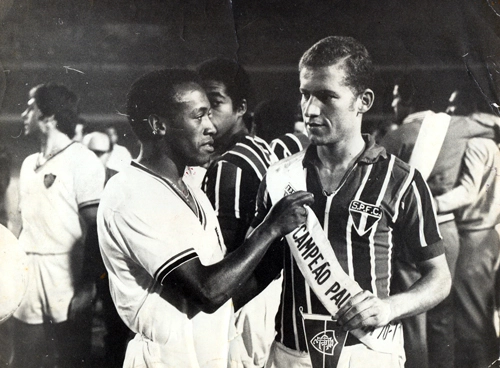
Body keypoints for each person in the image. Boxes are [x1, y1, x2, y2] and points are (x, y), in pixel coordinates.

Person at [250, 36, 451, 368]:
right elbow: (264, 268)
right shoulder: (278, 177)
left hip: (368, 354)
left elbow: (439, 277)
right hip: (291, 354)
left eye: (327, 96)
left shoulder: (401, 180)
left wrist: (390, 308)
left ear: (363, 101)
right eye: (305, 94)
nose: (311, 109)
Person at [97, 68, 313, 368]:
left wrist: (283, 246)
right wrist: (269, 228)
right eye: (198, 116)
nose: (211, 127)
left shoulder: (191, 191)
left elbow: (226, 297)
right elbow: (207, 292)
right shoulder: (130, 192)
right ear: (159, 125)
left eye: (210, 115)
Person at [380, 80, 499, 368]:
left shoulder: (397, 136)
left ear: (408, 102)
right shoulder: (461, 127)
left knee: (412, 318)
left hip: (412, 234)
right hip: (449, 232)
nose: (394, 105)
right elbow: (494, 124)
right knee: (442, 318)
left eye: (396, 99)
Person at [13, 83, 105, 368]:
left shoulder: (83, 160)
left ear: (49, 117)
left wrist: (89, 284)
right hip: (29, 271)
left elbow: (97, 228)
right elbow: (25, 226)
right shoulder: (29, 164)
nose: (24, 115)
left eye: (31, 107)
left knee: (71, 359)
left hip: (65, 275)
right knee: (24, 359)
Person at [198, 58, 280, 368]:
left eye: (215, 104)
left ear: (242, 107)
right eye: (201, 107)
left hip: (245, 304)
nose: (206, 117)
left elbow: (225, 259)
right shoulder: (261, 146)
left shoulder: (227, 165)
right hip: (271, 294)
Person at [435, 87, 500, 368]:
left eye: (453, 105)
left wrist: (431, 204)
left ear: (467, 108)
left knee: (470, 319)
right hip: (489, 235)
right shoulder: (492, 140)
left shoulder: (476, 143)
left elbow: (468, 192)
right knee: (482, 314)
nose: (449, 112)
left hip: (474, 237)